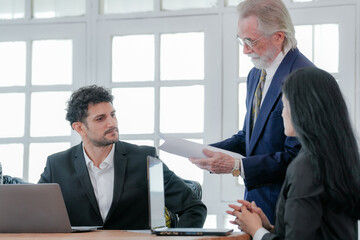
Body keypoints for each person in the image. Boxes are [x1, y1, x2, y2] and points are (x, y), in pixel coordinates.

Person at [189, 0, 314, 224]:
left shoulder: (304, 77)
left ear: (278, 36)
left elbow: (299, 158)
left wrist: (237, 166)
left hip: (291, 211)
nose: (245, 50)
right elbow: (250, 138)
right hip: (257, 209)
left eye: (251, 41)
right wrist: (207, 152)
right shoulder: (256, 75)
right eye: (241, 41)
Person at [38, 85, 207, 230]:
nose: (112, 123)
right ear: (80, 128)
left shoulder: (144, 159)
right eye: (100, 119)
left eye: (113, 114)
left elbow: (193, 208)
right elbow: (36, 217)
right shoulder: (57, 165)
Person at [227, 67, 360, 240]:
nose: (282, 113)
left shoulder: (306, 166)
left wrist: (257, 231)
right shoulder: (340, 157)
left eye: (285, 105)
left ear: (302, 110)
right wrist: (269, 227)